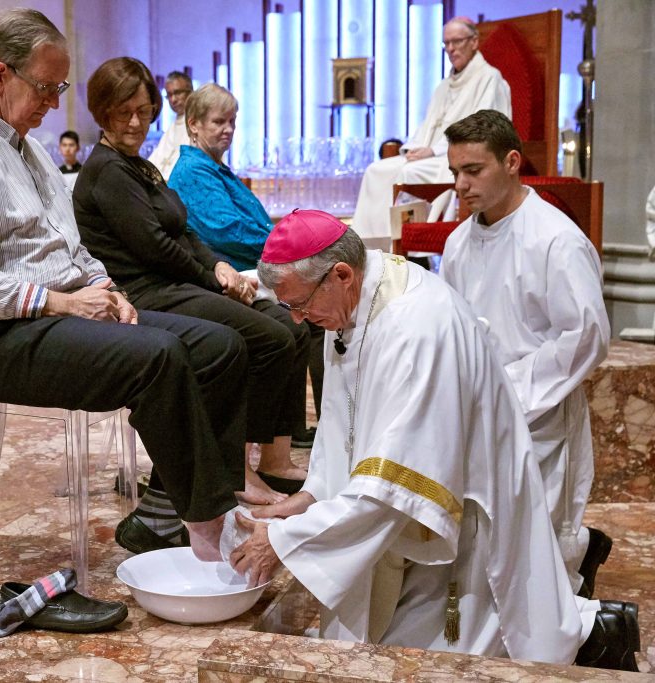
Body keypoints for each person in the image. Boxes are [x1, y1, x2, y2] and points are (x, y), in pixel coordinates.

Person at [0, 8, 252, 563]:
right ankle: (209, 528)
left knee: (220, 346)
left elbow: (71, 247)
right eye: (45, 87)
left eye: (58, 86)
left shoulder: (30, 149)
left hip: (58, 315)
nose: (54, 103)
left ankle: (173, 507)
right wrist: (64, 301)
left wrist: (109, 290)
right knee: (157, 357)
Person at [227, 210, 639, 671]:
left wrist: (283, 540)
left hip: (461, 508)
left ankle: (602, 632)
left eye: (300, 304)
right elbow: (346, 423)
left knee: (470, 648)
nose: (300, 320)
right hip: (411, 506)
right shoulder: (355, 301)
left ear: (341, 274)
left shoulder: (417, 329)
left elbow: (397, 482)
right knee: (389, 646)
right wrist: (313, 494)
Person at [73, 57, 312, 535]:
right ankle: (235, 468)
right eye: (125, 112)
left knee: (286, 322)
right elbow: (155, 249)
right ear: (101, 112)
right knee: (264, 336)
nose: (137, 122)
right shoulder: (107, 171)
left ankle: (273, 456)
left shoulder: (139, 166)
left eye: (144, 111)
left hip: (176, 282)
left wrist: (221, 266)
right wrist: (216, 278)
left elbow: (182, 230)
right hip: (146, 293)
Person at [438, 110, 612, 599]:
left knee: (535, 553)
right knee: (481, 549)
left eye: (474, 170)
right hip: (477, 409)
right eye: (455, 172)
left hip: (537, 410)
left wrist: (510, 388)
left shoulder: (556, 239)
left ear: (512, 161)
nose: (460, 185)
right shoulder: (457, 243)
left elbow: (586, 335)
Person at [168, 82, 324, 450]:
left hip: (252, 267)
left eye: (233, 122)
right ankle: (289, 432)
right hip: (229, 274)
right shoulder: (193, 171)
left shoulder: (214, 167)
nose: (228, 130)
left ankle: (297, 429)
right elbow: (226, 230)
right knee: (312, 318)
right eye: (218, 122)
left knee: (317, 312)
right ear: (193, 125)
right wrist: (288, 242)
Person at [350, 17, 511, 239]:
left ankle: (409, 245)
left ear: (474, 42)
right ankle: (372, 246)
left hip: (457, 159)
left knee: (408, 173)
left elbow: (486, 132)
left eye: (457, 41)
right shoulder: (444, 85)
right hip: (431, 154)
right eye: (446, 43)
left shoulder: (489, 79)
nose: (451, 49)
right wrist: (414, 149)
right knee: (376, 171)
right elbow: (428, 125)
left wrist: (434, 151)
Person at [147, 70, 192, 179]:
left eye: (177, 93)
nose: (173, 99)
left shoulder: (199, 124)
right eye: (169, 95)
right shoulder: (172, 127)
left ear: (190, 92)